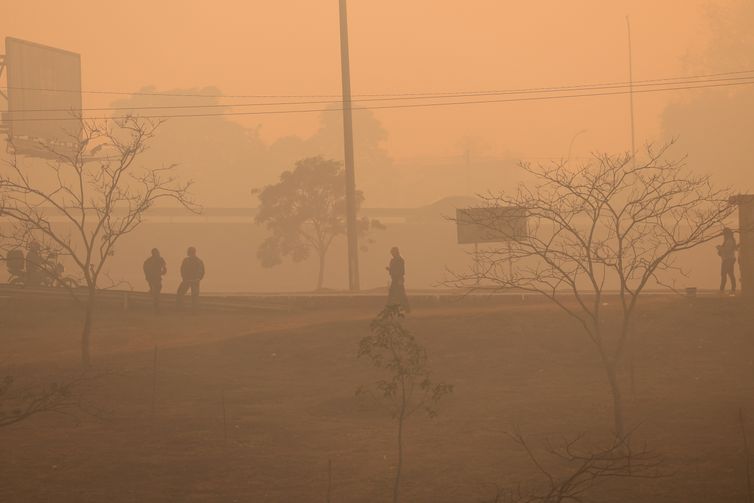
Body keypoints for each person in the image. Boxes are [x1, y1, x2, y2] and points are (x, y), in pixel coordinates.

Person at [177, 246, 205, 311]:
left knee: (180, 293)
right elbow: (202, 271)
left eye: (188, 251)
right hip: (194, 280)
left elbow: (182, 269)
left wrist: (184, 278)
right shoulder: (199, 261)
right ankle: (194, 311)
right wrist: (199, 278)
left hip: (188, 280)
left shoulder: (186, 260)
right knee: (195, 296)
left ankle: (180, 308)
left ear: (189, 252)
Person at [386, 246, 410, 312]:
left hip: (398, 279)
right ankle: (389, 308)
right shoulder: (394, 260)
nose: (392, 254)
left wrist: (400, 279)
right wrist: (390, 270)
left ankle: (406, 308)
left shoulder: (400, 260)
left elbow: (401, 271)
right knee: (395, 294)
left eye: (392, 252)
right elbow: (394, 270)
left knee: (400, 294)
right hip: (395, 279)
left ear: (396, 252)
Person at [143, 248, 167, 313]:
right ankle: (156, 307)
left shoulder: (152, 260)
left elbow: (164, 268)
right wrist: (163, 272)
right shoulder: (155, 260)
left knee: (156, 290)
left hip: (154, 278)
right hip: (153, 278)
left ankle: (155, 305)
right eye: (157, 252)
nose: (158, 254)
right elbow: (164, 268)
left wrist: (163, 272)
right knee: (156, 291)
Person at [717, 227, 738, 295]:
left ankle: (722, 289)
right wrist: (720, 250)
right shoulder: (729, 240)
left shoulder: (729, 241)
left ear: (727, 234)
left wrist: (719, 248)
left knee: (724, 274)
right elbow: (726, 251)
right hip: (728, 259)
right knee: (730, 274)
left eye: (724, 234)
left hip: (728, 259)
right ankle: (733, 289)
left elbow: (727, 250)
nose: (724, 235)